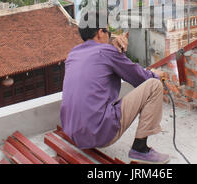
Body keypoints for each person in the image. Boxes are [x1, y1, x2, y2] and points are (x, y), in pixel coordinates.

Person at [60, 12, 170, 164]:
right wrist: (155, 74)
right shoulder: (107, 52)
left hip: (73, 132)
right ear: (100, 32)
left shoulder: (73, 54)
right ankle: (140, 148)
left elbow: (101, 56)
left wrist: (114, 45)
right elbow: (140, 79)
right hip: (98, 133)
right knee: (154, 85)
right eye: (108, 31)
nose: (110, 36)